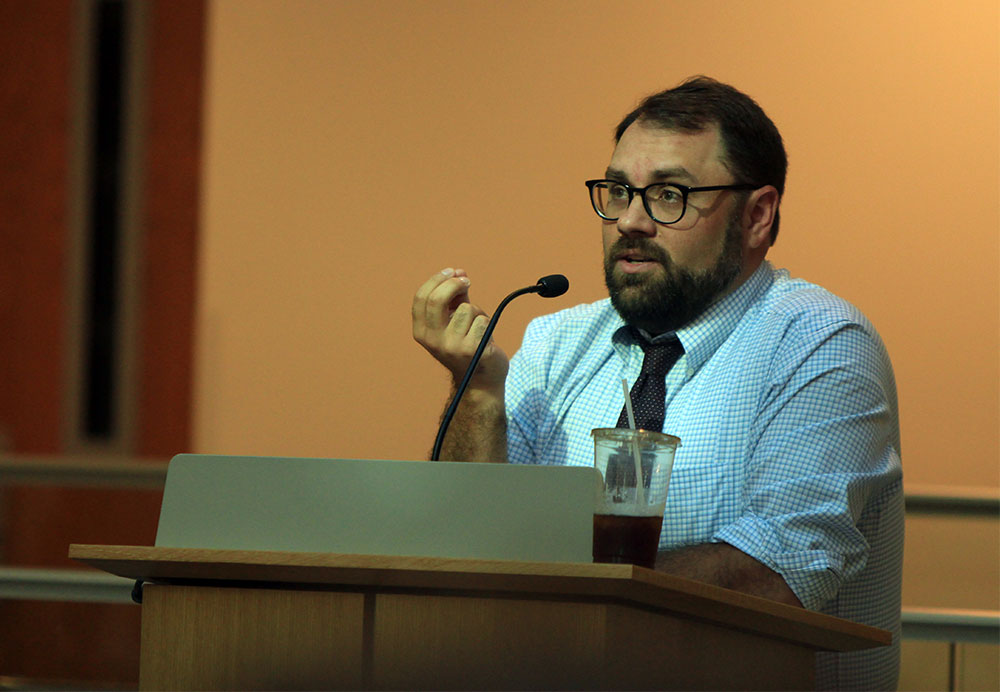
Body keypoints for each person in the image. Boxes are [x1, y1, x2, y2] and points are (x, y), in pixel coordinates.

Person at [411, 76, 903, 691]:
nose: (631, 222)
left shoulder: (817, 344)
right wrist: (477, 392)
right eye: (618, 192)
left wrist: (560, 589)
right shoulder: (554, 341)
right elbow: (472, 537)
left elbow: (775, 572)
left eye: (668, 195)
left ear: (757, 215)